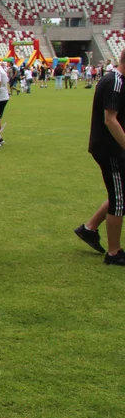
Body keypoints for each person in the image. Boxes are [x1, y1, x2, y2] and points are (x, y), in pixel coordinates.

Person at [75, 48, 125, 264]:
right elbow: (110, 119)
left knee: (121, 192)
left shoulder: (116, 80)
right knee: (119, 199)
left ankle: (89, 228)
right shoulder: (116, 82)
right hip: (110, 149)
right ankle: (114, 253)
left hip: (111, 147)